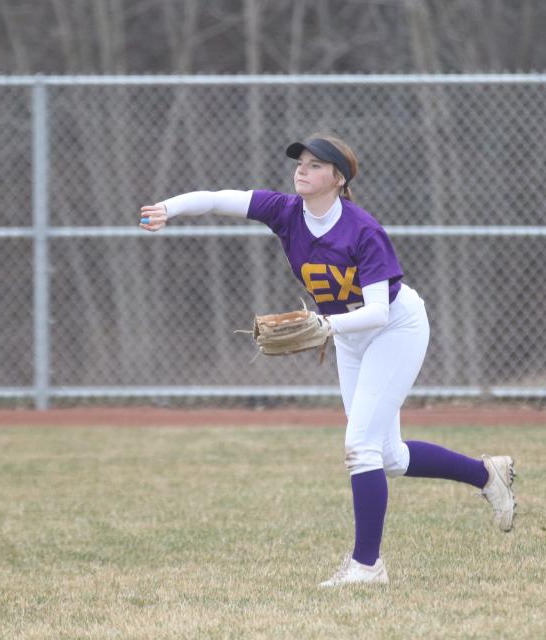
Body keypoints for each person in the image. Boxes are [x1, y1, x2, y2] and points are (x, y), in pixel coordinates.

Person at [139, 134, 517, 587]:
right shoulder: (284, 212)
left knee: (360, 448)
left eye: (316, 165)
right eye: (301, 162)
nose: (302, 169)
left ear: (338, 179)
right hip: (348, 337)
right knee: (389, 456)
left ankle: (367, 566)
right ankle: (485, 474)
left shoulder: (363, 230)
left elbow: (377, 310)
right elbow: (221, 199)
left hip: (395, 329)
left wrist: (324, 327)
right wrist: (170, 207)